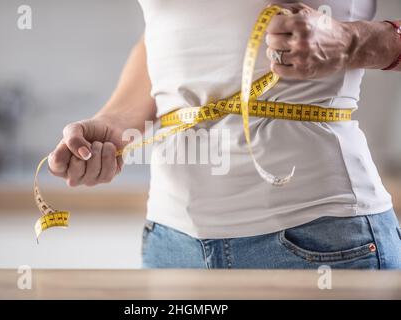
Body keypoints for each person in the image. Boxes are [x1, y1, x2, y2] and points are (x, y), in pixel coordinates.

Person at [47, 1, 401, 269]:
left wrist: (351, 41)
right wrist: (116, 122)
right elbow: (162, 33)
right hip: (171, 243)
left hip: (319, 237)